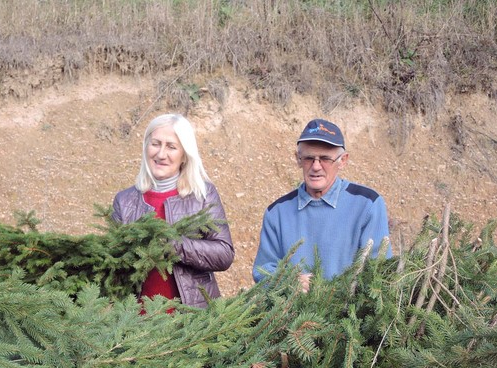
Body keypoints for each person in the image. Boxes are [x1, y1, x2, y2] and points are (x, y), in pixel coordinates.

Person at [252, 118, 391, 292]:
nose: (316, 167)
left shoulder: (368, 204)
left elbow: (380, 273)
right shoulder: (277, 213)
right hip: (292, 315)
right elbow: (263, 272)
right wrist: (288, 283)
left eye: (325, 159)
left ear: (343, 160)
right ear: (298, 159)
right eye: (309, 158)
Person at [112, 113, 234, 309]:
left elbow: (224, 254)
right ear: (145, 147)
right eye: (155, 144)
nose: (161, 154)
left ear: (184, 154)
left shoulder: (203, 195)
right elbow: (113, 264)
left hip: (192, 320)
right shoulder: (124, 201)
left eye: (171, 147)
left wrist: (175, 245)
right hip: (137, 325)